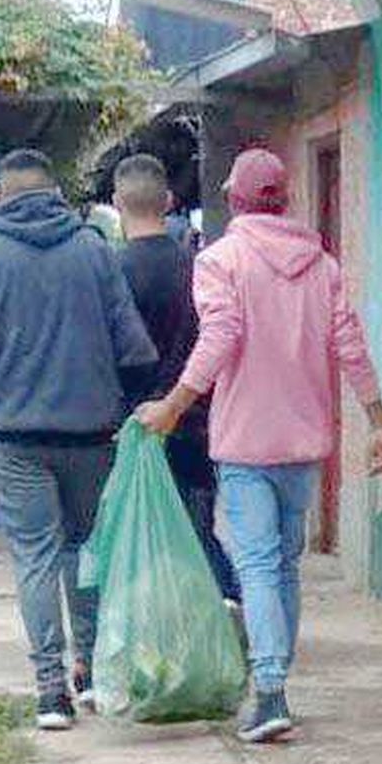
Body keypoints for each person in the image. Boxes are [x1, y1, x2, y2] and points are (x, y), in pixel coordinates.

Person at [135, 147, 382, 745]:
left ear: (235, 200)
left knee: (255, 566)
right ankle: (276, 681)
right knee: (281, 565)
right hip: (304, 442)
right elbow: (349, 344)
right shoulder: (321, 265)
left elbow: (222, 332)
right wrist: (378, 420)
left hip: (247, 441)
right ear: (284, 200)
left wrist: (174, 405)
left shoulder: (219, 261)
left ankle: (271, 690)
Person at [0, 149, 156, 732]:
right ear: (57, 194)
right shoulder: (94, 250)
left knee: (35, 555)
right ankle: (90, 670)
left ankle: (50, 692)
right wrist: (129, 406)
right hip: (92, 433)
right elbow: (134, 348)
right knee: (86, 549)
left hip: (14, 438)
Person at [111, 152, 241, 605]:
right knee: (197, 532)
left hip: (132, 425)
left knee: (138, 535)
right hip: (197, 420)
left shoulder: (112, 273)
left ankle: (152, 624)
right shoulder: (201, 265)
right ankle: (231, 617)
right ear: (167, 201)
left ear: (117, 202)